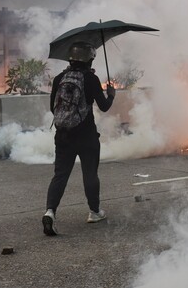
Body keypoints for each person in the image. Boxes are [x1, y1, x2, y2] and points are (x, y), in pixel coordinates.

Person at [42, 42, 115, 236]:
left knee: (60, 175)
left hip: (63, 135)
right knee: (90, 174)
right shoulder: (90, 78)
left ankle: (50, 211)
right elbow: (105, 106)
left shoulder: (59, 78)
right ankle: (94, 211)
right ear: (89, 59)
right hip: (87, 136)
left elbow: (53, 108)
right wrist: (111, 95)